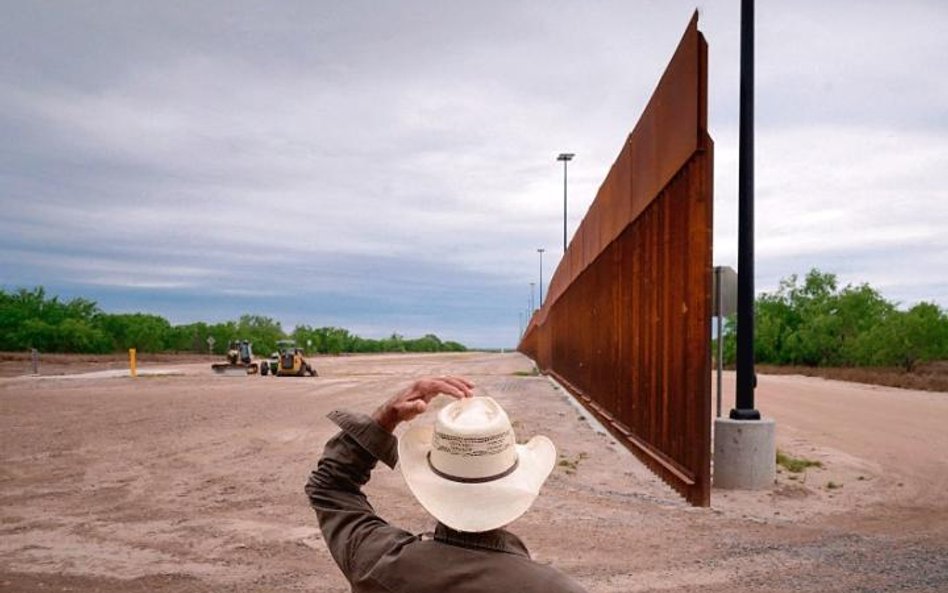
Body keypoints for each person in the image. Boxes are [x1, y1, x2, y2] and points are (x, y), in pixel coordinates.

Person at [305, 376, 588, 593]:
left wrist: (385, 417)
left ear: (433, 482)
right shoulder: (557, 588)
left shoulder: (379, 563)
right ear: (514, 486)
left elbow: (330, 487)